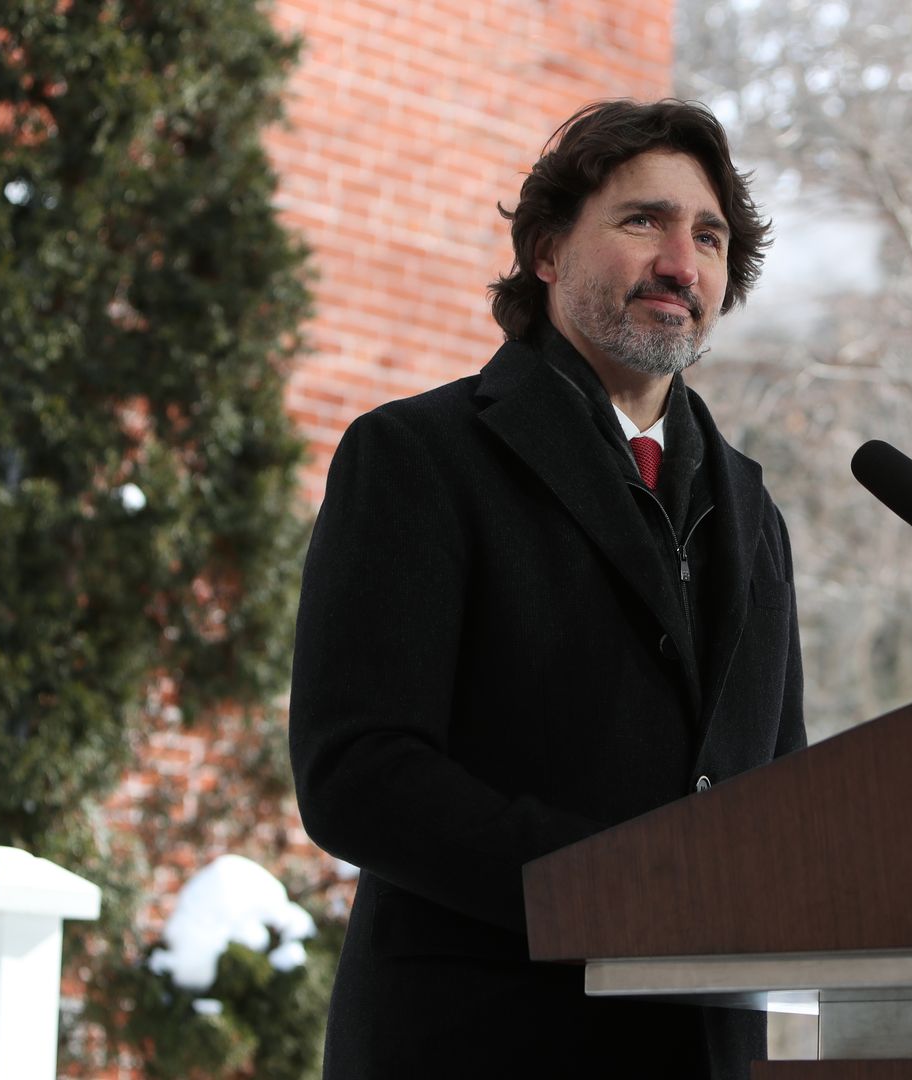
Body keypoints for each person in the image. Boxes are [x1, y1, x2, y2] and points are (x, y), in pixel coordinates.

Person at [288, 99, 806, 1077]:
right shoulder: (417, 459)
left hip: (703, 1051)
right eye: (641, 220)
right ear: (544, 251)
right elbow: (356, 773)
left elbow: (780, 793)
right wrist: (620, 892)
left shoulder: (753, 507)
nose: (680, 263)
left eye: (709, 235)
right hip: (480, 1041)